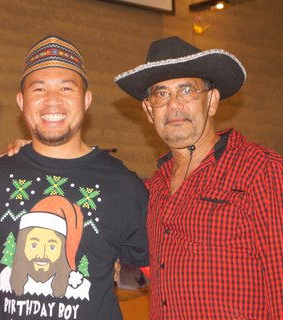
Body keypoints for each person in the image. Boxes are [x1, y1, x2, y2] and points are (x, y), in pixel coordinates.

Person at [0, 35, 149, 320]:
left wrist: (117, 269)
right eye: (39, 89)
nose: (52, 101)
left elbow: (152, 271)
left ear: (87, 99)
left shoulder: (123, 185)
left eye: (67, 88)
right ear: (22, 101)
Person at [115, 36, 283, 319]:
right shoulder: (151, 189)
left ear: (212, 101)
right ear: (148, 110)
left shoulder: (262, 172)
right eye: (161, 94)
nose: (173, 105)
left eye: (186, 90)